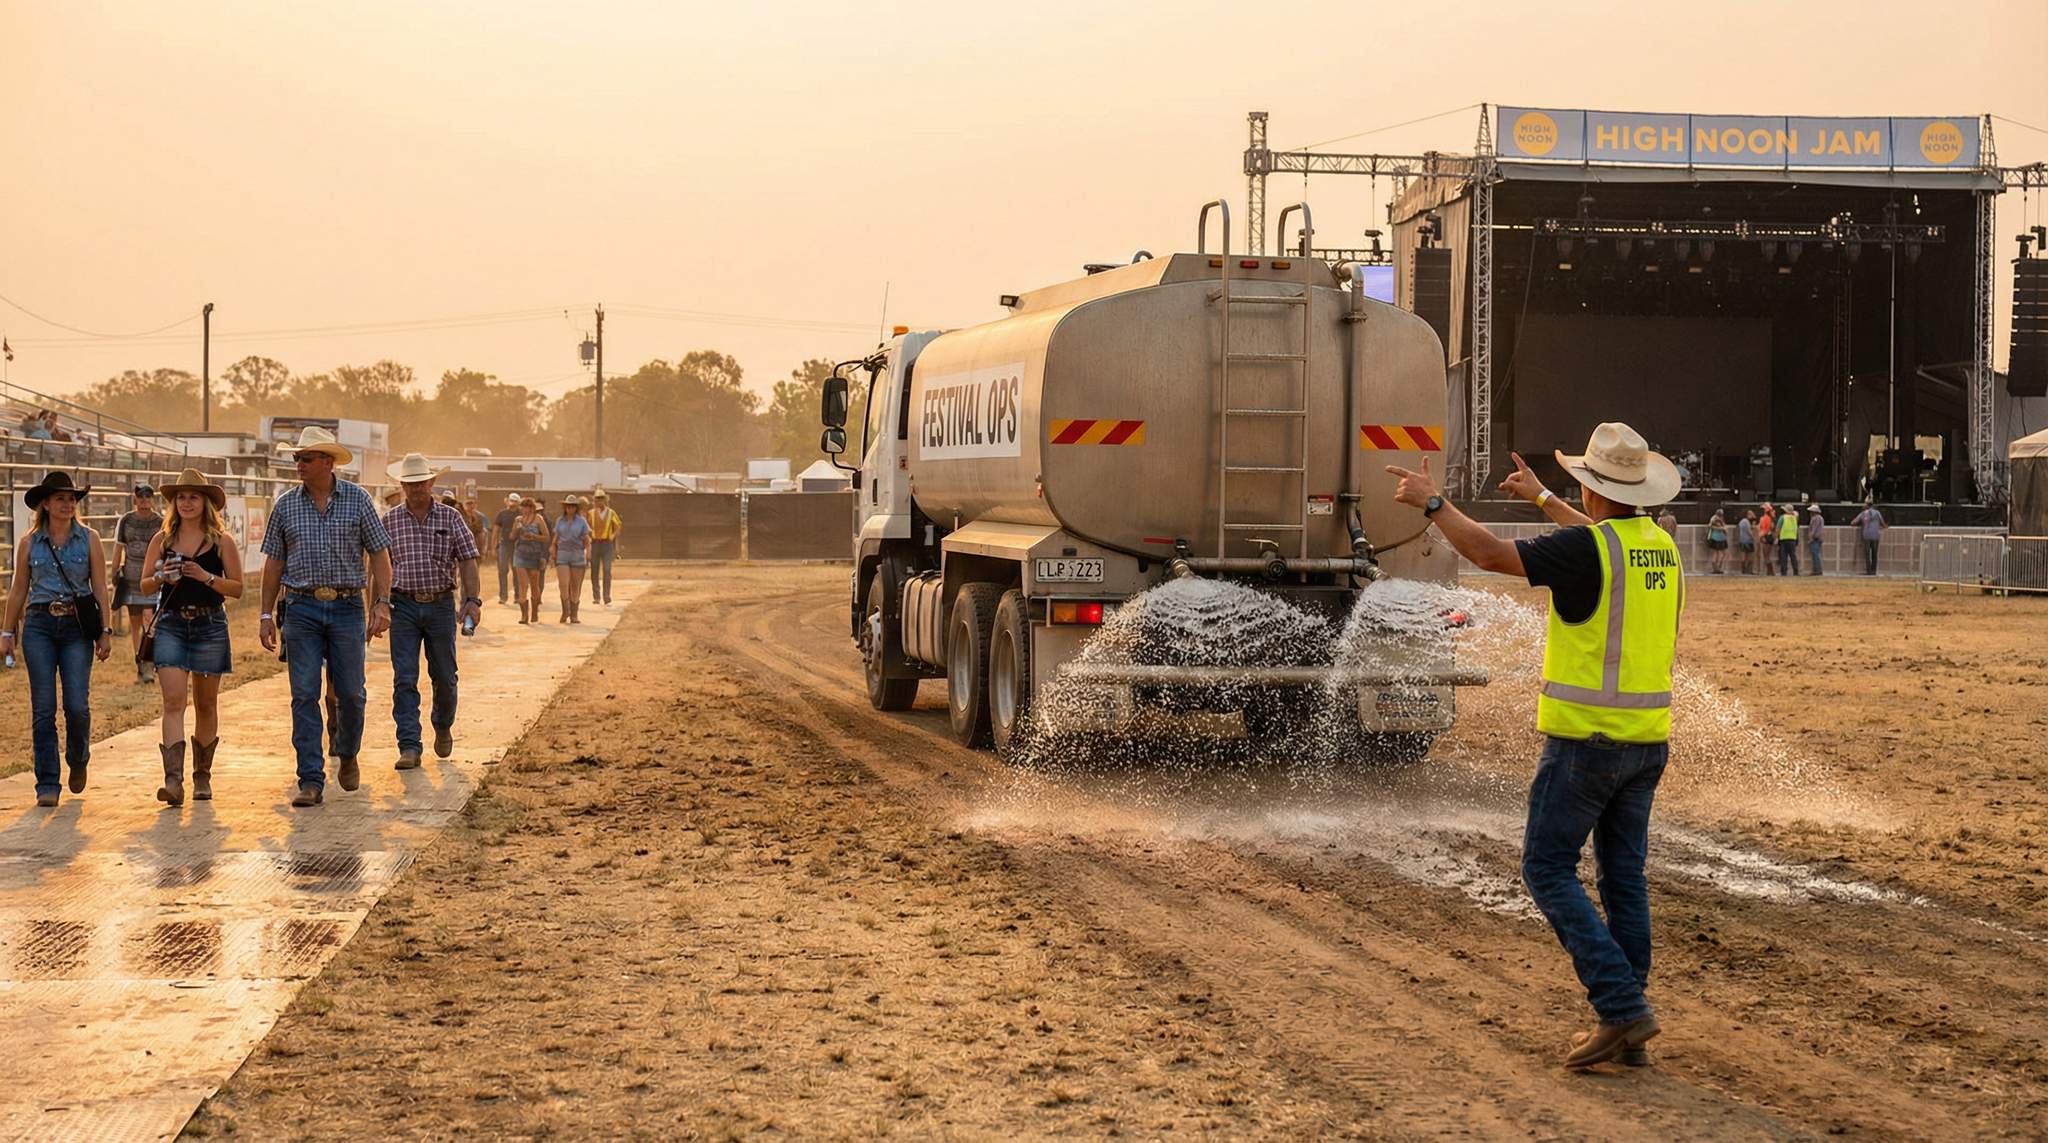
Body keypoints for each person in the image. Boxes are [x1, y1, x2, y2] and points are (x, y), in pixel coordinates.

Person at [1385, 424, 1681, 1069]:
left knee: (1547, 869)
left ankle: (1622, 1008)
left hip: (1585, 743)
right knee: (1623, 878)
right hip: (1646, 741)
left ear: (1592, 487)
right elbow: (1599, 537)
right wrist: (1544, 499)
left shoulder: (1588, 549)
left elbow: (1490, 554)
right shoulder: (1657, 544)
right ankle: (1628, 1019)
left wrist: (1432, 504)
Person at [257, 425, 393, 808]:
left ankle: (347, 751)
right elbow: (273, 562)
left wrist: (382, 602)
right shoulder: (285, 505)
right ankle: (310, 779)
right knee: (303, 693)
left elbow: (380, 555)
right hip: (300, 607)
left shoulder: (358, 500)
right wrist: (266, 613)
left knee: (351, 692)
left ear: (328, 462)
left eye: (306, 458)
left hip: (348, 605)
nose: (298, 464)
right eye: (297, 458)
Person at [1, 472, 115, 807]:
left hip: (77, 627)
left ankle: (78, 758)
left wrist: (105, 630)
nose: (67, 504)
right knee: (43, 708)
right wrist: (7, 632)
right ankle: (47, 782)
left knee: (77, 705)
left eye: (72, 499)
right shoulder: (29, 542)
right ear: (46, 504)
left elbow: (100, 587)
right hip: (39, 624)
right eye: (60, 498)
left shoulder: (89, 538)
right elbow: (19, 588)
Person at [142, 468, 244, 807]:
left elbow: (238, 588)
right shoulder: (162, 540)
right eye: (181, 497)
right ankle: (173, 781)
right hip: (171, 624)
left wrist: (206, 577)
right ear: (173, 503)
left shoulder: (221, 541)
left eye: (193, 496)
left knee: (206, 703)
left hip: (210, 625)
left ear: (206, 502)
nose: (186, 503)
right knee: (173, 702)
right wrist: (161, 577)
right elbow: (143, 584)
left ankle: (202, 775)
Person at [381, 454, 483, 770]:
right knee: (404, 677)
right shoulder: (390, 520)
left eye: (421, 483)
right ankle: (409, 744)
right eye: (410, 484)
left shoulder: (451, 518)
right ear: (402, 485)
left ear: (432, 483)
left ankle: (442, 723)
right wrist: (379, 604)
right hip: (403, 605)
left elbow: (468, 559)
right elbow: (379, 566)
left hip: (440, 604)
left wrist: (472, 600)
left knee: (444, 676)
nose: (416, 489)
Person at [115, 484, 163, 676]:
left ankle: (149, 657)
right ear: (135, 499)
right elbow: (119, 546)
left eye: (148, 497)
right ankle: (139, 657)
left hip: (152, 579)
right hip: (131, 578)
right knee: (135, 622)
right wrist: (114, 572)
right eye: (141, 497)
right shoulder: (126, 520)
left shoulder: (160, 522)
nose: (144, 501)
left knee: (150, 620)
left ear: (153, 499)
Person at [508, 498, 550, 625]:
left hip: (534, 554)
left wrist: (534, 537)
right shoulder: (518, 520)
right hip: (520, 553)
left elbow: (546, 536)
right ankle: (524, 615)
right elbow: (511, 537)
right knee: (522, 584)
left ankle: (535, 611)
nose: (525, 509)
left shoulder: (538, 519)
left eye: (527, 507)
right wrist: (515, 529)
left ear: (532, 508)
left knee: (534, 584)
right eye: (523, 507)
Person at [552, 494, 592, 623]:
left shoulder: (581, 521)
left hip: (577, 554)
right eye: (568, 506)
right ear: (565, 507)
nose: (570, 509)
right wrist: (553, 550)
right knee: (563, 584)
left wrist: (588, 553)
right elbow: (556, 538)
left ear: (576, 508)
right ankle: (565, 610)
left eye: (572, 506)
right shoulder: (560, 521)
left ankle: (574, 614)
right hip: (563, 554)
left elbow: (587, 539)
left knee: (575, 585)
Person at [587, 488, 623, 606]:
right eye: (597, 499)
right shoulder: (591, 513)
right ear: (595, 500)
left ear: (605, 500)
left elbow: (618, 526)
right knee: (594, 571)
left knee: (607, 570)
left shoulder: (611, 513)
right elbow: (586, 528)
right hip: (595, 543)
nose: (599, 501)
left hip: (607, 544)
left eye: (601, 499)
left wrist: (612, 537)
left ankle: (606, 596)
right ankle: (596, 597)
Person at [491, 492, 522, 606]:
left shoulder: (521, 514)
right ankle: (503, 596)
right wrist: (493, 546)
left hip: (517, 545)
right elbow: (496, 530)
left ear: (518, 503)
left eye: (515, 502)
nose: (512, 504)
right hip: (504, 544)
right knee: (502, 570)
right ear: (507, 501)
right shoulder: (502, 514)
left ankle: (518, 596)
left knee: (517, 571)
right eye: (511, 501)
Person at [1851, 500, 1887, 576]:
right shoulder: (1877, 513)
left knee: (1867, 554)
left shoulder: (1863, 513)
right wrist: (1885, 526)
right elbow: (1883, 523)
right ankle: (1874, 571)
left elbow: (1853, 523)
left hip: (1866, 536)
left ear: (1867, 505)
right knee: (1874, 554)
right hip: (1875, 536)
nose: (1863, 505)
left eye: (1864, 504)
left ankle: (1869, 571)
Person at [1776, 503, 1800, 576]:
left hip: (1783, 539)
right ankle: (1796, 571)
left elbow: (1778, 529)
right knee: (1793, 556)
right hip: (1792, 539)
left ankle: (1784, 572)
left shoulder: (1782, 517)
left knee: (1784, 556)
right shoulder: (1794, 518)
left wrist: (1777, 537)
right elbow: (1796, 514)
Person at [1805, 504, 1826, 576]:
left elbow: (1813, 529)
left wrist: (1810, 538)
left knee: (1815, 555)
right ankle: (1817, 569)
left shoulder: (1815, 518)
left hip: (1815, 538)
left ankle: (1817, 570)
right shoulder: (1820, 518)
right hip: (1819, 538)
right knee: (1816, 554)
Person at [1705, 509, 1728, 574]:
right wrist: (1721, 528)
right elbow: (1710, 526)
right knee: (1717, 553)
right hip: (1716, 538)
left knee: (1721, 553)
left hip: (1721, 537)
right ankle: (1716, 568)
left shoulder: (1720, 519)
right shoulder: (1714, 518)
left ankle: (1718, 567)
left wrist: (1723, 529)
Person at [1759, 503, 1777, 576]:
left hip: (1766, 536)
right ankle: (1770, 572)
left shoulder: (1765, 518)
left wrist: (1762, 537)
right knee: (1767, 555)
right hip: (1769, 536)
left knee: (1766, 556)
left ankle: (1771, 572)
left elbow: (1765, 529)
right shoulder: (1770, 518)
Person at [1736, 510, 1756, 574]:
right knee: (1750, 556)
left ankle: (1743, 570)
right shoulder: (1746, 522)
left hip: (1742, 540)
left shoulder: (1741, 521)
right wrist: (1754, 538)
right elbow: (1749, 531)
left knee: (1743, 556)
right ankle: (1748, 570)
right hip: (1748, 541)